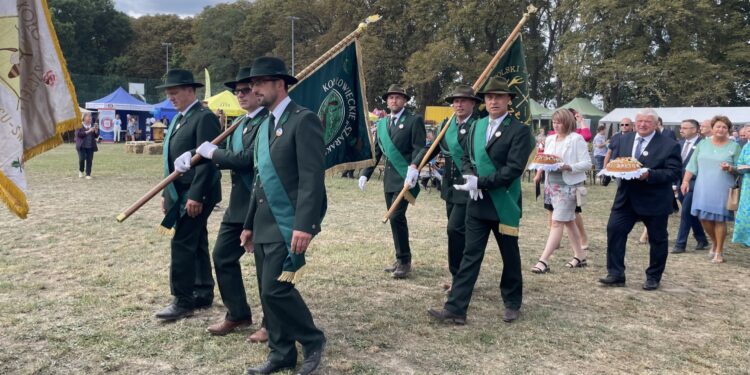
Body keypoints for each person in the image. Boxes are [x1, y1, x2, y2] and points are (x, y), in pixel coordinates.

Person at [239, 57, 326, 375]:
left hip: (288, 223)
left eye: (260, 83)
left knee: (276, 289)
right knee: (267, 292)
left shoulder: (303, 120)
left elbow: (312, 178)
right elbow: (260, 179)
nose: (254, 89)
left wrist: (305, 224)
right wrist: (248, 224)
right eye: (252, 84)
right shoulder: (264, 125)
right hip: (263, 224)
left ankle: (313, 340)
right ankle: (281, 352)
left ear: (280, 84)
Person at [173, 66, 269, 339]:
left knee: (264, 267)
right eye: (236, 91)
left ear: (259, 90)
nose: (240, 95)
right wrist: (194, 154)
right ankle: (237, 313)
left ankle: (271, 324)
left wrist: (212, 153)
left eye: (246, 90)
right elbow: (225, 152)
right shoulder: (242, 122)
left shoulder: (268, 122)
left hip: (261, 203)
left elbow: (249, 158)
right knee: (223, 257)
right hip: (239, 204)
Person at [427, 77, 533, 324]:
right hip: (477, 202)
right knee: (470, 255)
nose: (493, 101)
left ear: (509, 100)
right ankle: (455, 309)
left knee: (510, 255)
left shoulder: (519, 130)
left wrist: (481, 182)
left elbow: (514, 168)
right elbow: (465, 155)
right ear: (484, 101)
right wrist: (470, 175)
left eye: (499, 97)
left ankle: (512, 302)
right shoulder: (476, 126)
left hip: (503, 202)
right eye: (489, 97)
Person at [154, 69, 221, 321]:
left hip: (195, 193)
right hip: (179, 192)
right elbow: (171, 161)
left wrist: (196, 195)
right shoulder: (179, 119)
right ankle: (202, 292)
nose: (171, 96)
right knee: (197, 240)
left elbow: (208, 158)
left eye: (175, 92)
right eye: (168, 93)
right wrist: (166, 193)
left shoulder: (203, 117)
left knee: (182, 242)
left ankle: (183, 300)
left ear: (191, 91)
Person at [599, 108, 681, 291]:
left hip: (655, 200)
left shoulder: (669, 145)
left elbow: (674, 172)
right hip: (626, 198)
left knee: (658, 239)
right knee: (614, 230)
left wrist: (649, 174)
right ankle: (616, 273)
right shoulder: (623, 139)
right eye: (640, 121)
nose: (643, 124)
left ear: (656, 124)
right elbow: (619, 162)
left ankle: (653, 277)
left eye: (648, 122)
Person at [411, 84, 480, 291]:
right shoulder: (445, 125)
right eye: (455, 101)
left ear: (473, 104)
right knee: (459, 232)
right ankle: (460, 276)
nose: (458, 104)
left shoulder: (479, 126)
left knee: (456, 230)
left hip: (470, 187)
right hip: (450, 188)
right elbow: (430, 149)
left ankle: (460, 277)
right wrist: (415, 164)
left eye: (463, 100)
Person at [359, 84, 426, 279]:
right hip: (389, 180)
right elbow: (377, 152)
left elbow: (420, 148)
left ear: (405, 100)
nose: (393, 101)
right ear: (386, 101)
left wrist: (414, 167)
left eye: (398, 97)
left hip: (406, 178)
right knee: (396, 220)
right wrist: (366, 173)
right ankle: (401, 258)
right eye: (390, 98)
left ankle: (405, 262)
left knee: (396, 216)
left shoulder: (414, 121)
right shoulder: (381, 124)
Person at [531, 109, 591, 273]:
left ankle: (543, 261)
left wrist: (569, 166)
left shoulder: (576, 139)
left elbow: (587, 163)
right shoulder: (550, 139)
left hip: (569, 186)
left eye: (559, 122)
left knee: (557, 223)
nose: (556, 125)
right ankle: (580, 256)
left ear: (568, 122)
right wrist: (539, 170)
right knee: (569, 222)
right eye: (554, 122)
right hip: (552, 185)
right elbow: (545, 159)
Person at [681, 115, 741, 263]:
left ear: (728, 130)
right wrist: (685, 181)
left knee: (720, 220)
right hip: (702, 187)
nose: (721, 129)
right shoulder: (703, 144)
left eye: (724, 127)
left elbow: (740, 168)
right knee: (703, 218)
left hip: (722, 187)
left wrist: (731, 168)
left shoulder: (734, 147)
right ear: (712, 128)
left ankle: (719, 251)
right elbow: (692, 165)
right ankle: (714, 242)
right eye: (718, 126)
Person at [671, 119, 709, 253]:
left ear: (694, 129)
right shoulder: (679, 143)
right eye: (681, 127)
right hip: (681, 182)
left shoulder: (703, 144)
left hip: (695, 183)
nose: (681, 130)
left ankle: (680, 244)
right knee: (691, 213)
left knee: (686, 212)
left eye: (685, 128)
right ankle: (702, 239)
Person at [733, 141, 750, 247]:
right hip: (748, 186)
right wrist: (744, 167)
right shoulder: (747, 146)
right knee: (747, 213)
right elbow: (739, 164)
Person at [76, 112, 98, 179]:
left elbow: (95, 136)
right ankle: (81, 171)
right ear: (84, 118)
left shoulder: (92, 125)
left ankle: (88, 174)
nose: (90, 118)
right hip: (81, 146)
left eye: (90, 117)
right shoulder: (79, 125)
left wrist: (96, 130)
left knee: (89, 160)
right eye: (88, 117)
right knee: (82, 159)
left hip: (90, 146)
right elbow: (78, 134)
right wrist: (89, 131)